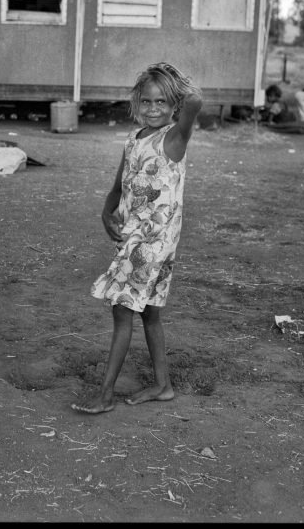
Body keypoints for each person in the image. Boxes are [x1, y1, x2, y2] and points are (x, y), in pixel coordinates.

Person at [71, 62, 202, 414]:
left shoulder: (174, 139)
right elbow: (122, 179)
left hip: (152, 241)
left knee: (122, 309)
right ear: (136, 102)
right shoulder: (135, 137)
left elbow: (195, 102)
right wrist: (107, 208)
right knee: (150, 312)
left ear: (173, 105)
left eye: (162, 102)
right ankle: (163, 386)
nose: (154, 109)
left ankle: (105, 395)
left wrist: (172, 77)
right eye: (147, 101)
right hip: (136, 234)